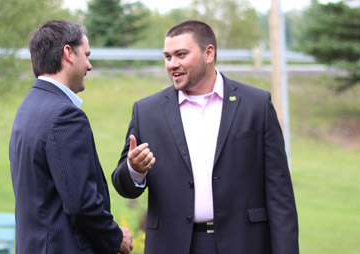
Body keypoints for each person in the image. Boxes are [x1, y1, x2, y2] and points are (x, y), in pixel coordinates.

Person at [112, 20, 299, 254]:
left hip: (244, 244)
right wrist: (134, 169)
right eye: (167, 57)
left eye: (181, 55)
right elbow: (123, 185)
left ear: (208, 53)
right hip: (173, 246)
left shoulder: (256, 105)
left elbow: (280, 195)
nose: (172, 64)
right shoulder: (147, 111)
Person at [9, 20, 132, 254]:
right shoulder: (65, 115)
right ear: (68, 53)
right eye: (86, 55)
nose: (90, 65)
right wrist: (115, 238)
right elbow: (81, 204)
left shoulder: (28, 107)